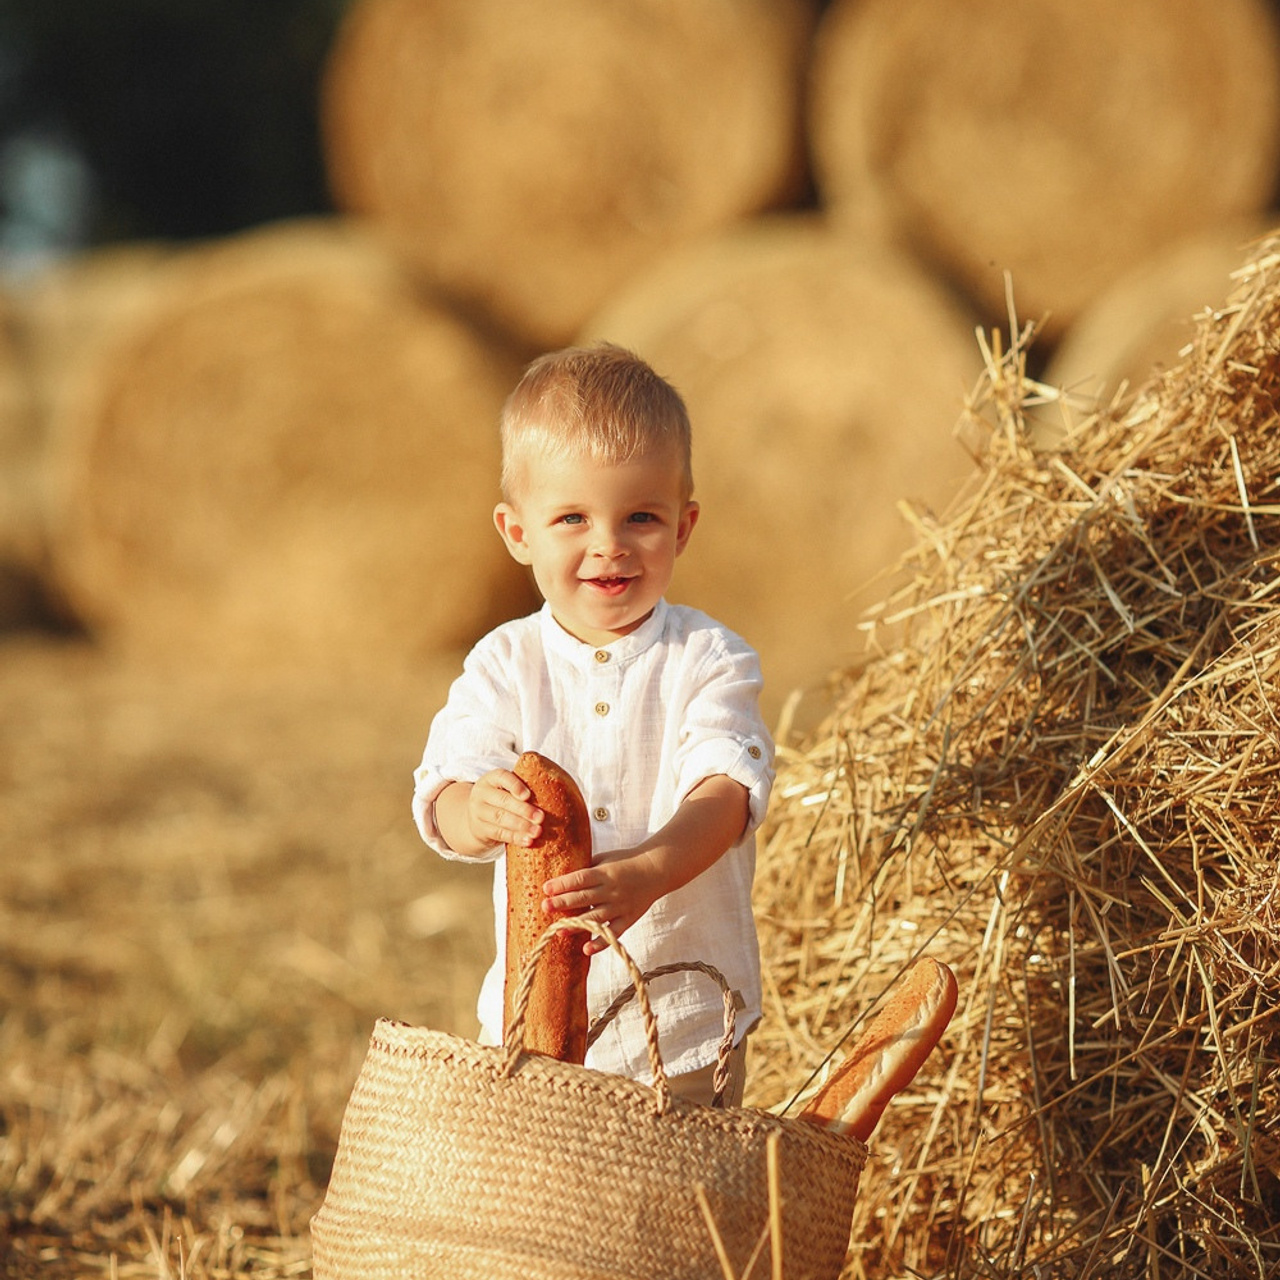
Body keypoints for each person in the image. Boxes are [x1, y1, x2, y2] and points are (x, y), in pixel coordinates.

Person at [411, 343, 773, 1106]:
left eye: (641, 516)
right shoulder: (505, 664)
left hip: (682, 1025)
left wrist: (652, 869)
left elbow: (725, 793)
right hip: (530, 1031)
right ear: (517, 533)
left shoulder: (708, 658)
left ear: (683, 527)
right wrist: (476, 809)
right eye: (572, 517)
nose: (609, 543)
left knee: (677, 1214)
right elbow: (445, 790)